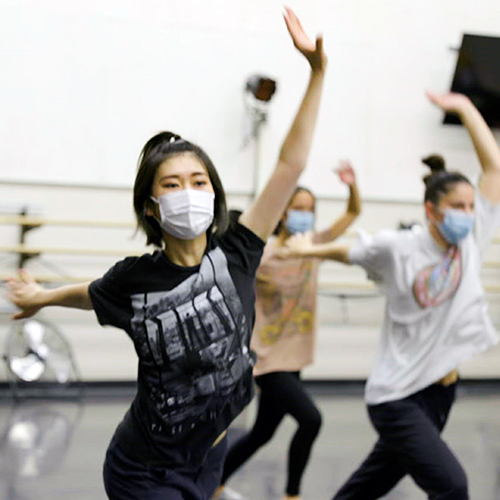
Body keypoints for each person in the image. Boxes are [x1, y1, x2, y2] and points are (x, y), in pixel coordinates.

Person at [5, 7, 327, 500]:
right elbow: (92, 294)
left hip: (209, 459)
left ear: (214, 195)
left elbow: (290, 163)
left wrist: (317, 72)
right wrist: (42, 298)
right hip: (144, 471)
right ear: (153, 207)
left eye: (199, 182)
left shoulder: (238, 249)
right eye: (172, 185)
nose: (188, 192)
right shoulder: (135, 279)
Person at [281, 91, 500, 500]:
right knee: (453, 487)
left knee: (368, 486)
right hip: (397, 397)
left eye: (472, 206)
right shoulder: (400, 247)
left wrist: (466, 107)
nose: (468, 214)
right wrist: (307, 249)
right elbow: (349, 251)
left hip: (440, 391)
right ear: (431, 210)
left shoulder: (471, 239)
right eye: (457, 206)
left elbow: (494, 166)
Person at [216, 162, 361, 500]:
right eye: (298, 209)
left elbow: (353, 213)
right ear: (282, 213)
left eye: (310, 211)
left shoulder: (313, 246)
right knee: (311, 420)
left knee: (262, 433)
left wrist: (352, 185)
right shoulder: (262, 255)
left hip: (294, 357)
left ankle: (214, 483)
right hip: (266, 359)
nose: (305, 217)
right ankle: (292, 494)